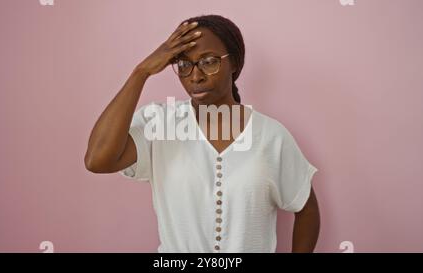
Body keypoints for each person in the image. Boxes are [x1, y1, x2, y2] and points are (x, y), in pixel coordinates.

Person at [85, 14, 320, 253]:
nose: (195, 76)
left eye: (209, 61)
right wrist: (141, 72)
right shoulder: (160, 125)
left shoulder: (271, 136)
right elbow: (97, 160)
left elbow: (307, 209)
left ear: (235, 62)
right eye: (184, 65)